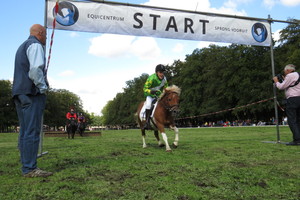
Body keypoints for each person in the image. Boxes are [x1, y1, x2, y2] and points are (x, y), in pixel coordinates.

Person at [12, 24, 53, 177]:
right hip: (32, 93)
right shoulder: (35, 45)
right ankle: (29, 169)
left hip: (20, 93)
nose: (45, 40)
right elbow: (35, 70)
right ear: (40, 33)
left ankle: (27, 165)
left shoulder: (22, 46)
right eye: (45, 36)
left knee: (24, 131)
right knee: (32, 131)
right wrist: (43, 87)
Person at [273, 64, 300, 145]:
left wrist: (276, 81)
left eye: (285, 71)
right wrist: (285, 80)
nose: (284, 73)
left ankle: (297, 140)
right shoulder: (297, 74)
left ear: (288, 70)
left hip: (293, 99)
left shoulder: (290, 76)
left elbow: (281, 87)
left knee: (292, 120)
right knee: (298, 119)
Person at [143, 64, 168, 129]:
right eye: (160, 72)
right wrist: (151, 92)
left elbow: (166, 88)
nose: (162, 74)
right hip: (150, 95)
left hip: (158, 95)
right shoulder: (151, 78)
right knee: (148, 105)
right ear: (156, 72)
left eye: (163, 72)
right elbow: (144, 89)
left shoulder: (164, 79)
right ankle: (147, 122)